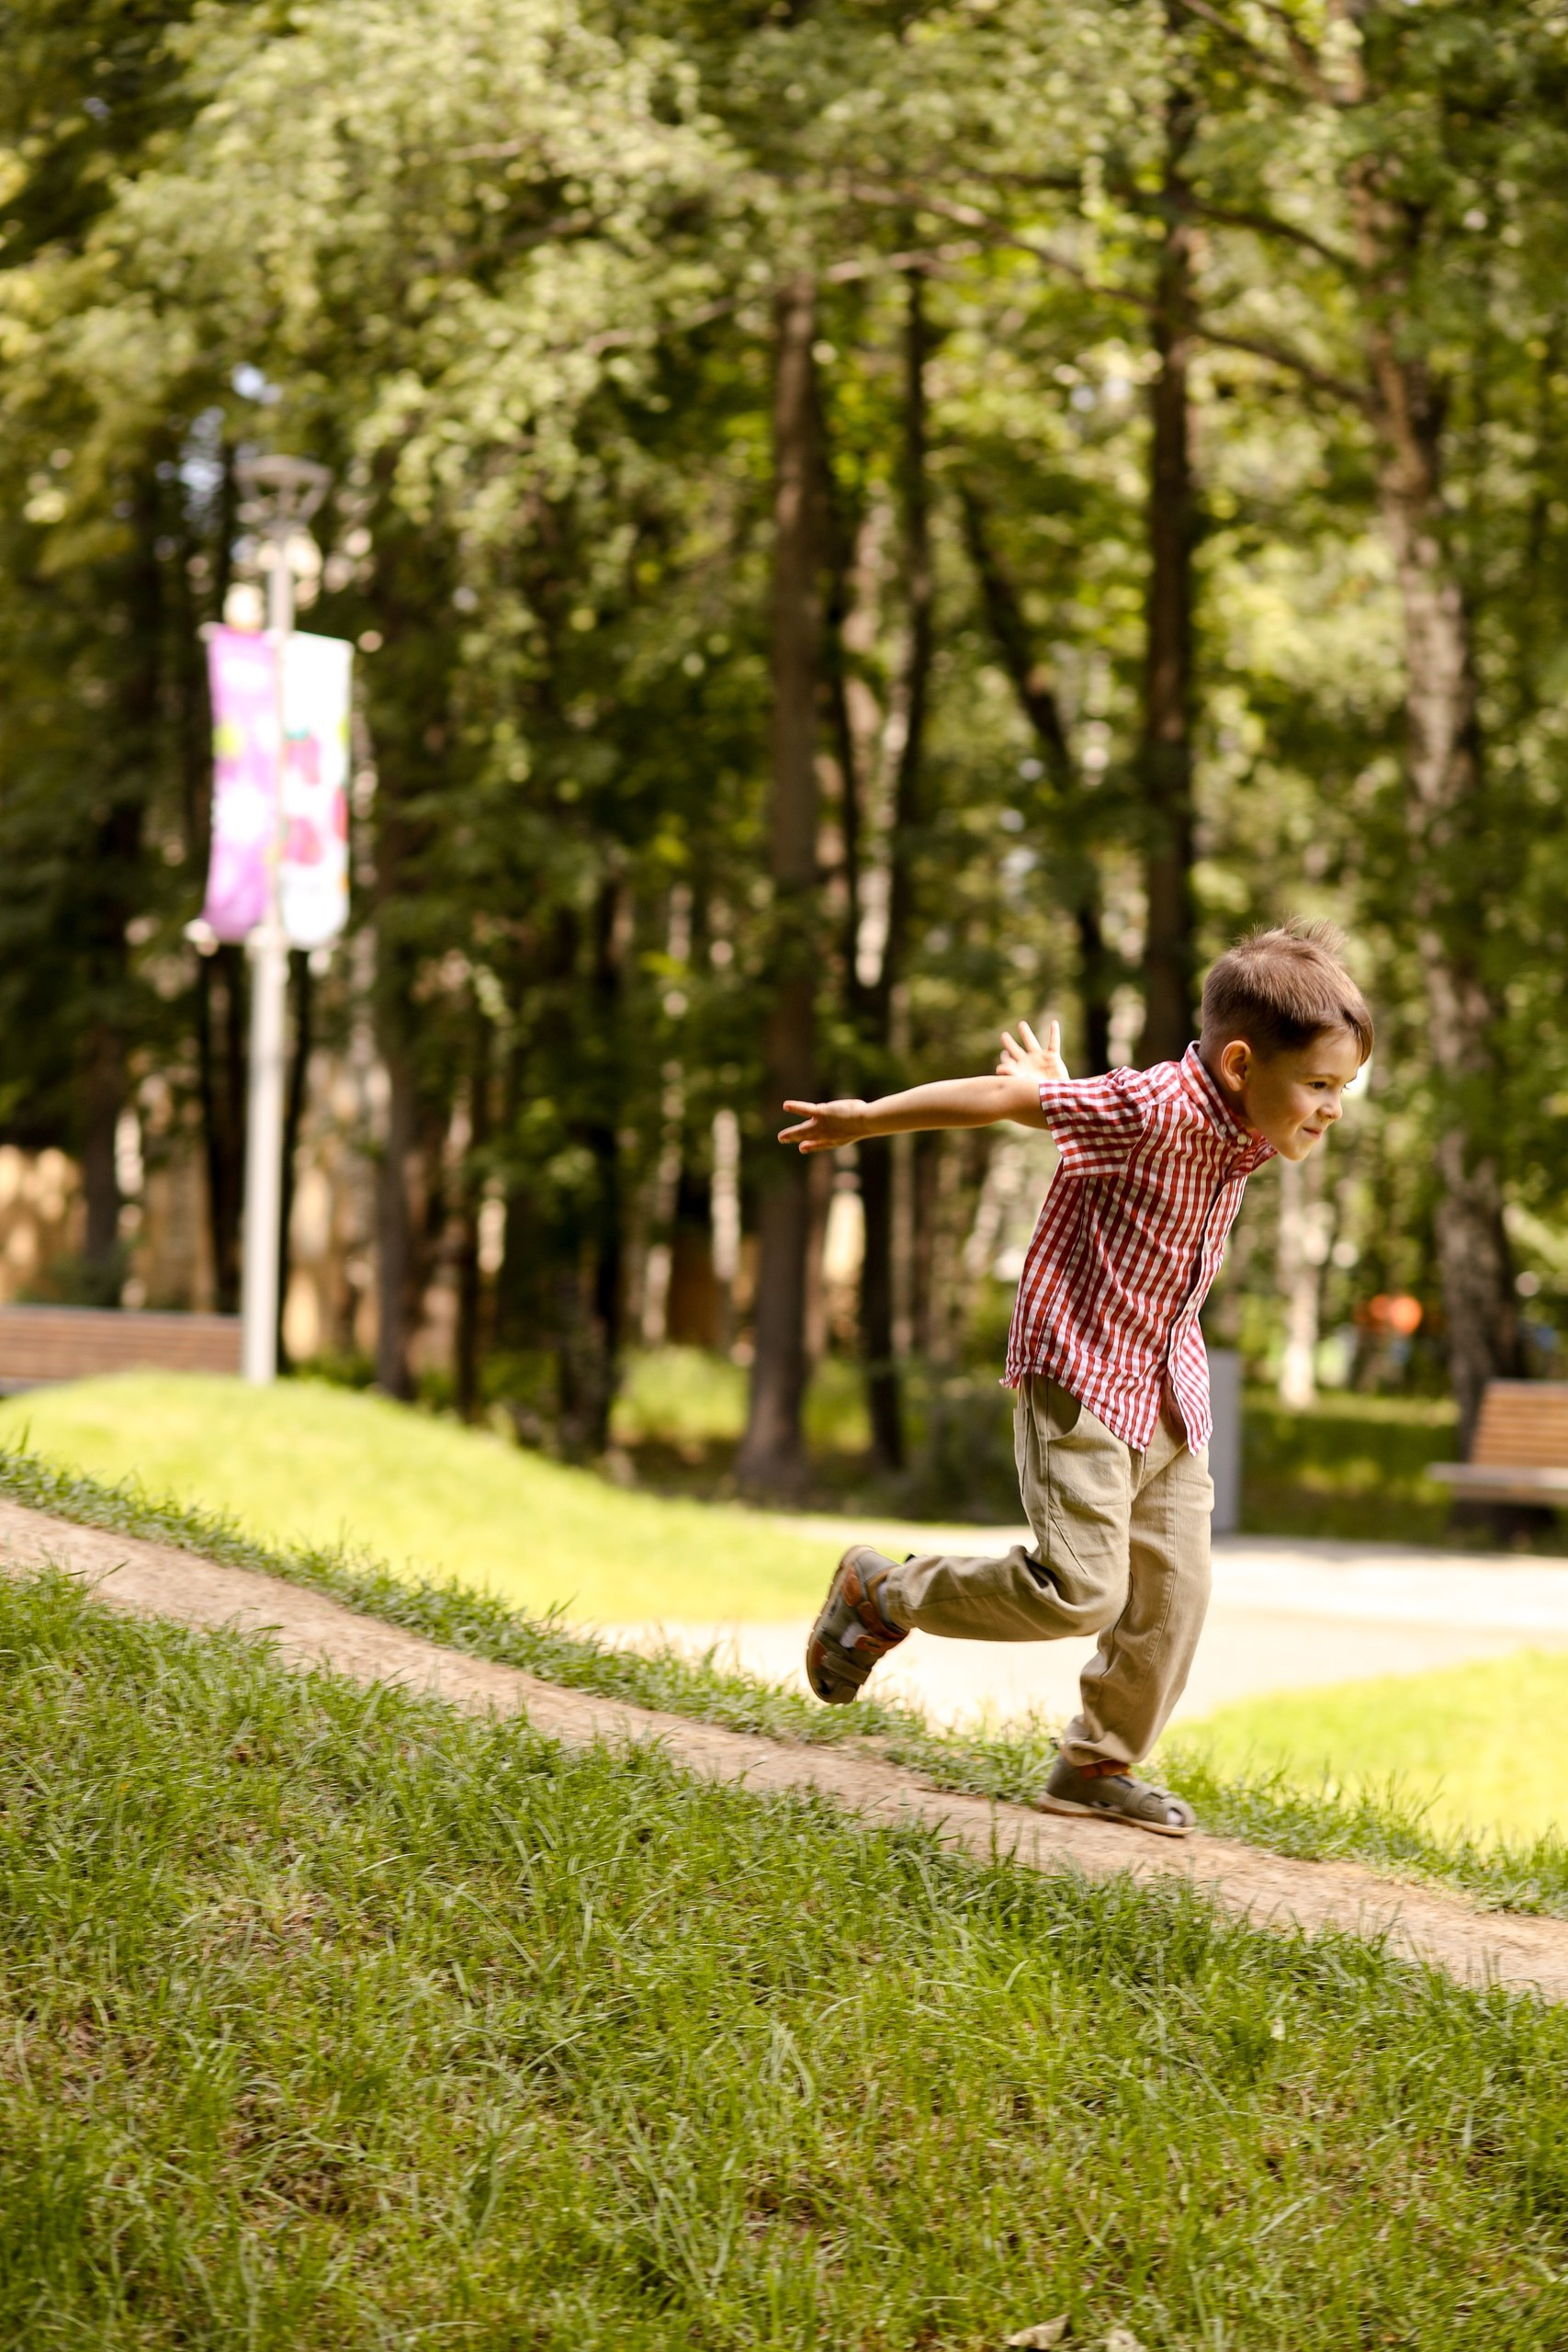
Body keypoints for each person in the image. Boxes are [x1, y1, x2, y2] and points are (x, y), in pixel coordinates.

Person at [778, 921, 1373, 1837]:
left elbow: (1080, 1120)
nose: (1332, 1108)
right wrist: (866, 1118)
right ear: (1240, 1065)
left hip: (1167, 1392)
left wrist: (1062, 1089)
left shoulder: (1241, 1119)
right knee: (1083, 1590)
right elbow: (999, 1099)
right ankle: (881, 1593)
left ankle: (1096, 1763)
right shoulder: (1153, 1107)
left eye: (1343, 1088)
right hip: (1084, 1378)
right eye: (1320, 1085)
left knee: (1174, 1594)